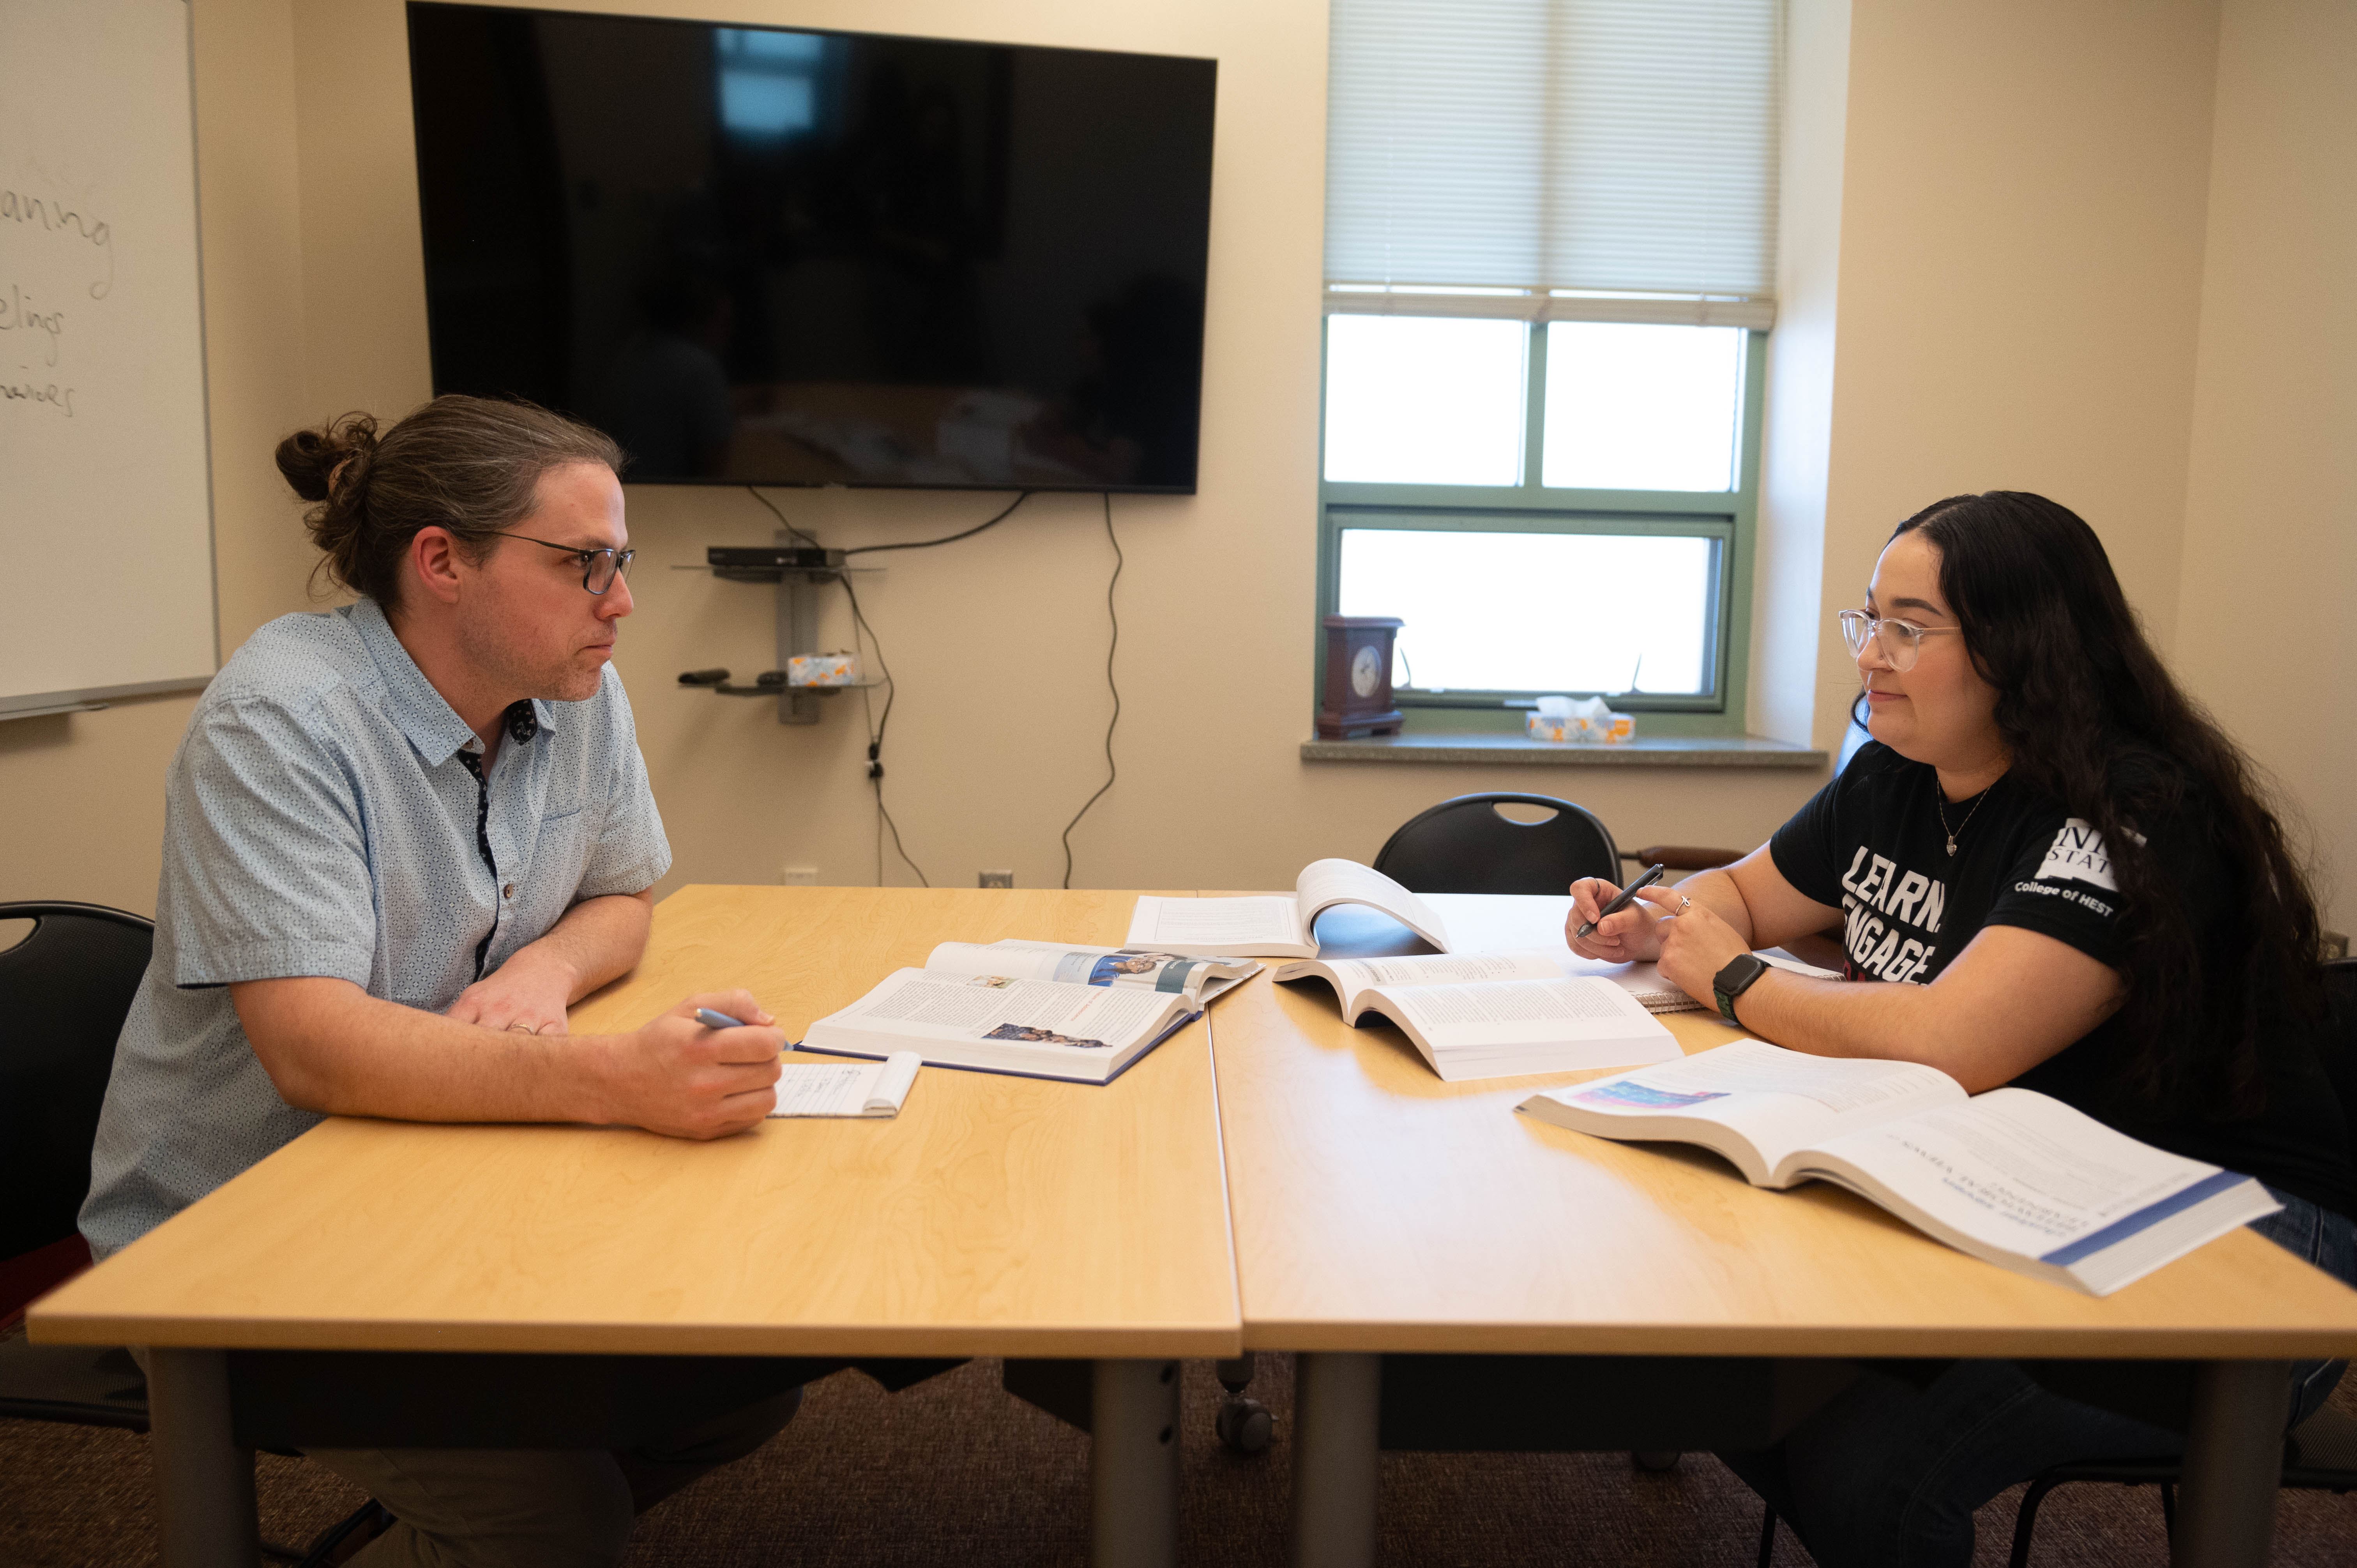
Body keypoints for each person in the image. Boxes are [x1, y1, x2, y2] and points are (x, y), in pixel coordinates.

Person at [1566, 491, 2356, 1568]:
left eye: (1908, 628)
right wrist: (1658, 922)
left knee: (1860, 1464)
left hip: (2239, 1244)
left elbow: (1955, 1040)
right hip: (2027, 1188)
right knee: (1729, 1363)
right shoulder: (1896, 774)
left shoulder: (2134, 813)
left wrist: (1736, 981)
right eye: (1867, 622)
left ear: (2024, 651)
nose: (1871, 658)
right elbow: (1741, 899)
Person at [81, 394, 797, 1568]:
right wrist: (617, 1083)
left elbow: (625, 899)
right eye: (584, 566)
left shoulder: (575, 685)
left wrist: (547, 973)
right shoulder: (282, 723)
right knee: (556, 1523)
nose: (621, 602)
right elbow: (315, 1049)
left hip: (436, 1173)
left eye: (619, 563)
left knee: (734, 1391)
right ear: (441, 562)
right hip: (240, 1241)